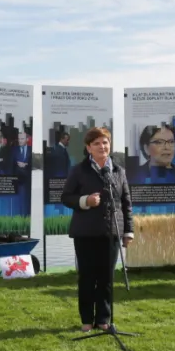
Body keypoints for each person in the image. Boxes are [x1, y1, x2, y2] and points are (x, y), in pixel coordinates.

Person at [61, 127, 134, 332]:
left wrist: (128, 231)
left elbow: (126, 203)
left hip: (111, 233)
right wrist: (86, 201)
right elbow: (66, 197)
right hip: (85, 233)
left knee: (106, 278)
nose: (102, 147)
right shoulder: (79, 170)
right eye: (97, 143)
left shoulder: (118, 172)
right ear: (88, 148)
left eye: (105, 142)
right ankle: (86, 319)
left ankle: (103, 319)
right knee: (87, 277)